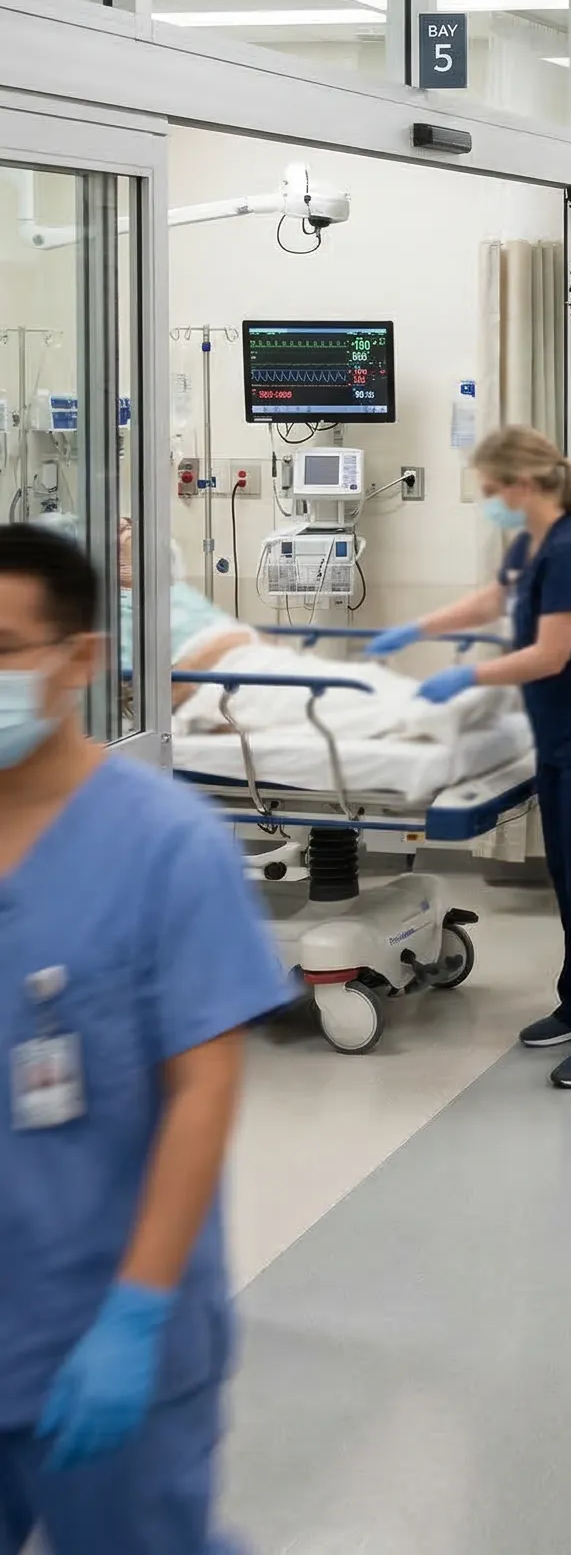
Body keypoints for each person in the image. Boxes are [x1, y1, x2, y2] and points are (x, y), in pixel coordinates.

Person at [0, 524, 289, 1553]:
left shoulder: (168, 845)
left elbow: (202, 1092)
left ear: (80, 658)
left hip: (101, 1317)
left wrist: (135, 1309)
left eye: (2, 649)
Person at [372, 426, 571, 1092]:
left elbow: (551, 655)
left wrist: (466, 677)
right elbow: (495, 599)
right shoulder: (534, 541)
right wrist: (419, 628)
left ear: (523, 485)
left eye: (491, 490)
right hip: (563, 737)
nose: (488, 501)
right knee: (569, 879)